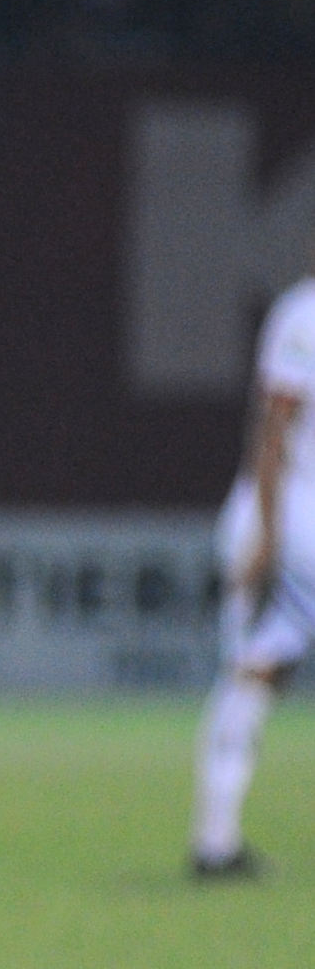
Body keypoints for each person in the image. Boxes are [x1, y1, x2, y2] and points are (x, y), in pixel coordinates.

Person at [189, 236, 315, 879]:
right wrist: (265, 533)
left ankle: (216, 840)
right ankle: (214, 843)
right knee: (255, 668)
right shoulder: (304, 314)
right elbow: (274, 432)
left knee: (259, 670)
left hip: (294, 521)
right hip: (288, 519)